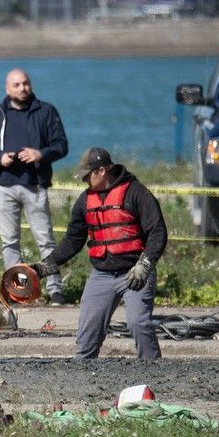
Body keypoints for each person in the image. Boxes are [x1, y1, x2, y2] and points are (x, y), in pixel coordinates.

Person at [31, 148, 167, 360]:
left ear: (102, 170)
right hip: (102, 274)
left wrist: (145, 264)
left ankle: (153, 370)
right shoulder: (85, 201)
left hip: (135, 272)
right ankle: (83, 375)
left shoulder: (136, 193)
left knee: (138, 322)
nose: (84, 179)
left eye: (87, 174)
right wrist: (43, 268)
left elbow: (157, 231)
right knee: (88, 332)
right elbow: (72, 241)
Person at [0, 68, 69, 305]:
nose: (22, 88)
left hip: (35, 184)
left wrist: (40, 154)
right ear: (7, 89)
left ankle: (55, 290)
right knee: (10, 242)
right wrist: (0, 157)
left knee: (46, 239)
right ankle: (18, 291)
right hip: (5, 186)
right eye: (17, 85)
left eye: (25, 83)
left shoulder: (46, 111)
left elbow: (61, 145)